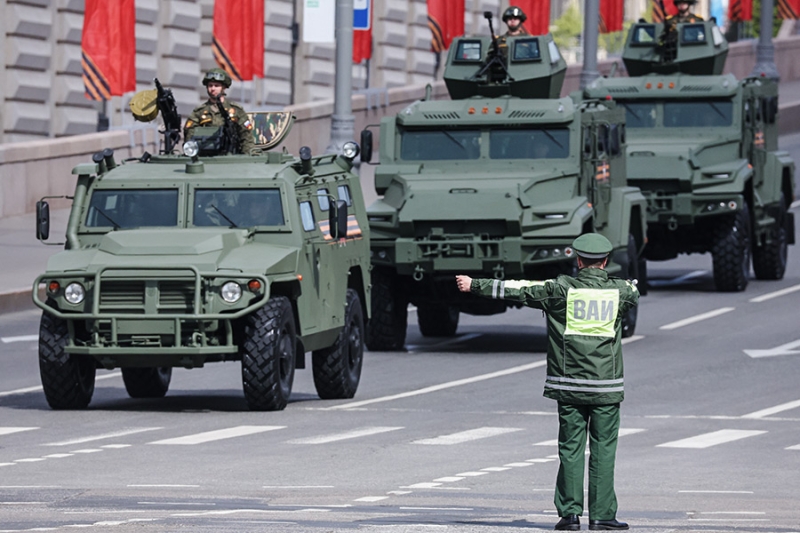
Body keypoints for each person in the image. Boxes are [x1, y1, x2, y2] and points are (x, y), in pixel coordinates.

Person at [455, 233, 639, 531]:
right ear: (605, 261)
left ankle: (569, 515)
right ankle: (603, 516)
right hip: (605, 388)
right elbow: (632, 292)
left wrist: (475, 284)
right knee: (604, 449)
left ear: (578, 261)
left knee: (570, 448)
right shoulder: (620, 293)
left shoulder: (558, 290)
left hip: (568, 385)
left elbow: (519, 290)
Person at [184, 68, 255, 155]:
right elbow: (190, 134)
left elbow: (246, 135)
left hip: (231, 157)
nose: (213, 89)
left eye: (217, 85)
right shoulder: (199, 112)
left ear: (224, 87)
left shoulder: (236, 111)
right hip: (206, 156)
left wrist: (249, 156)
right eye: (210, 85)